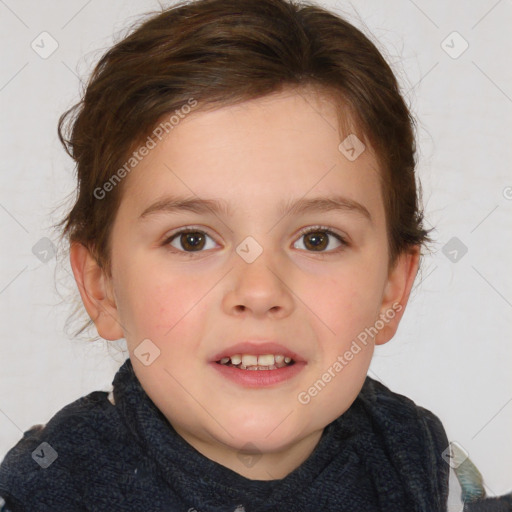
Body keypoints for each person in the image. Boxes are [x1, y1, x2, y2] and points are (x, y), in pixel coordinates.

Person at [0, 0, 458, 509]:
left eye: (317, 239)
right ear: (102, 285)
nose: (259, 292)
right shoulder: (49, 488)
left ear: (393, 290)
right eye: (192, 239)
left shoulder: (424, 470)